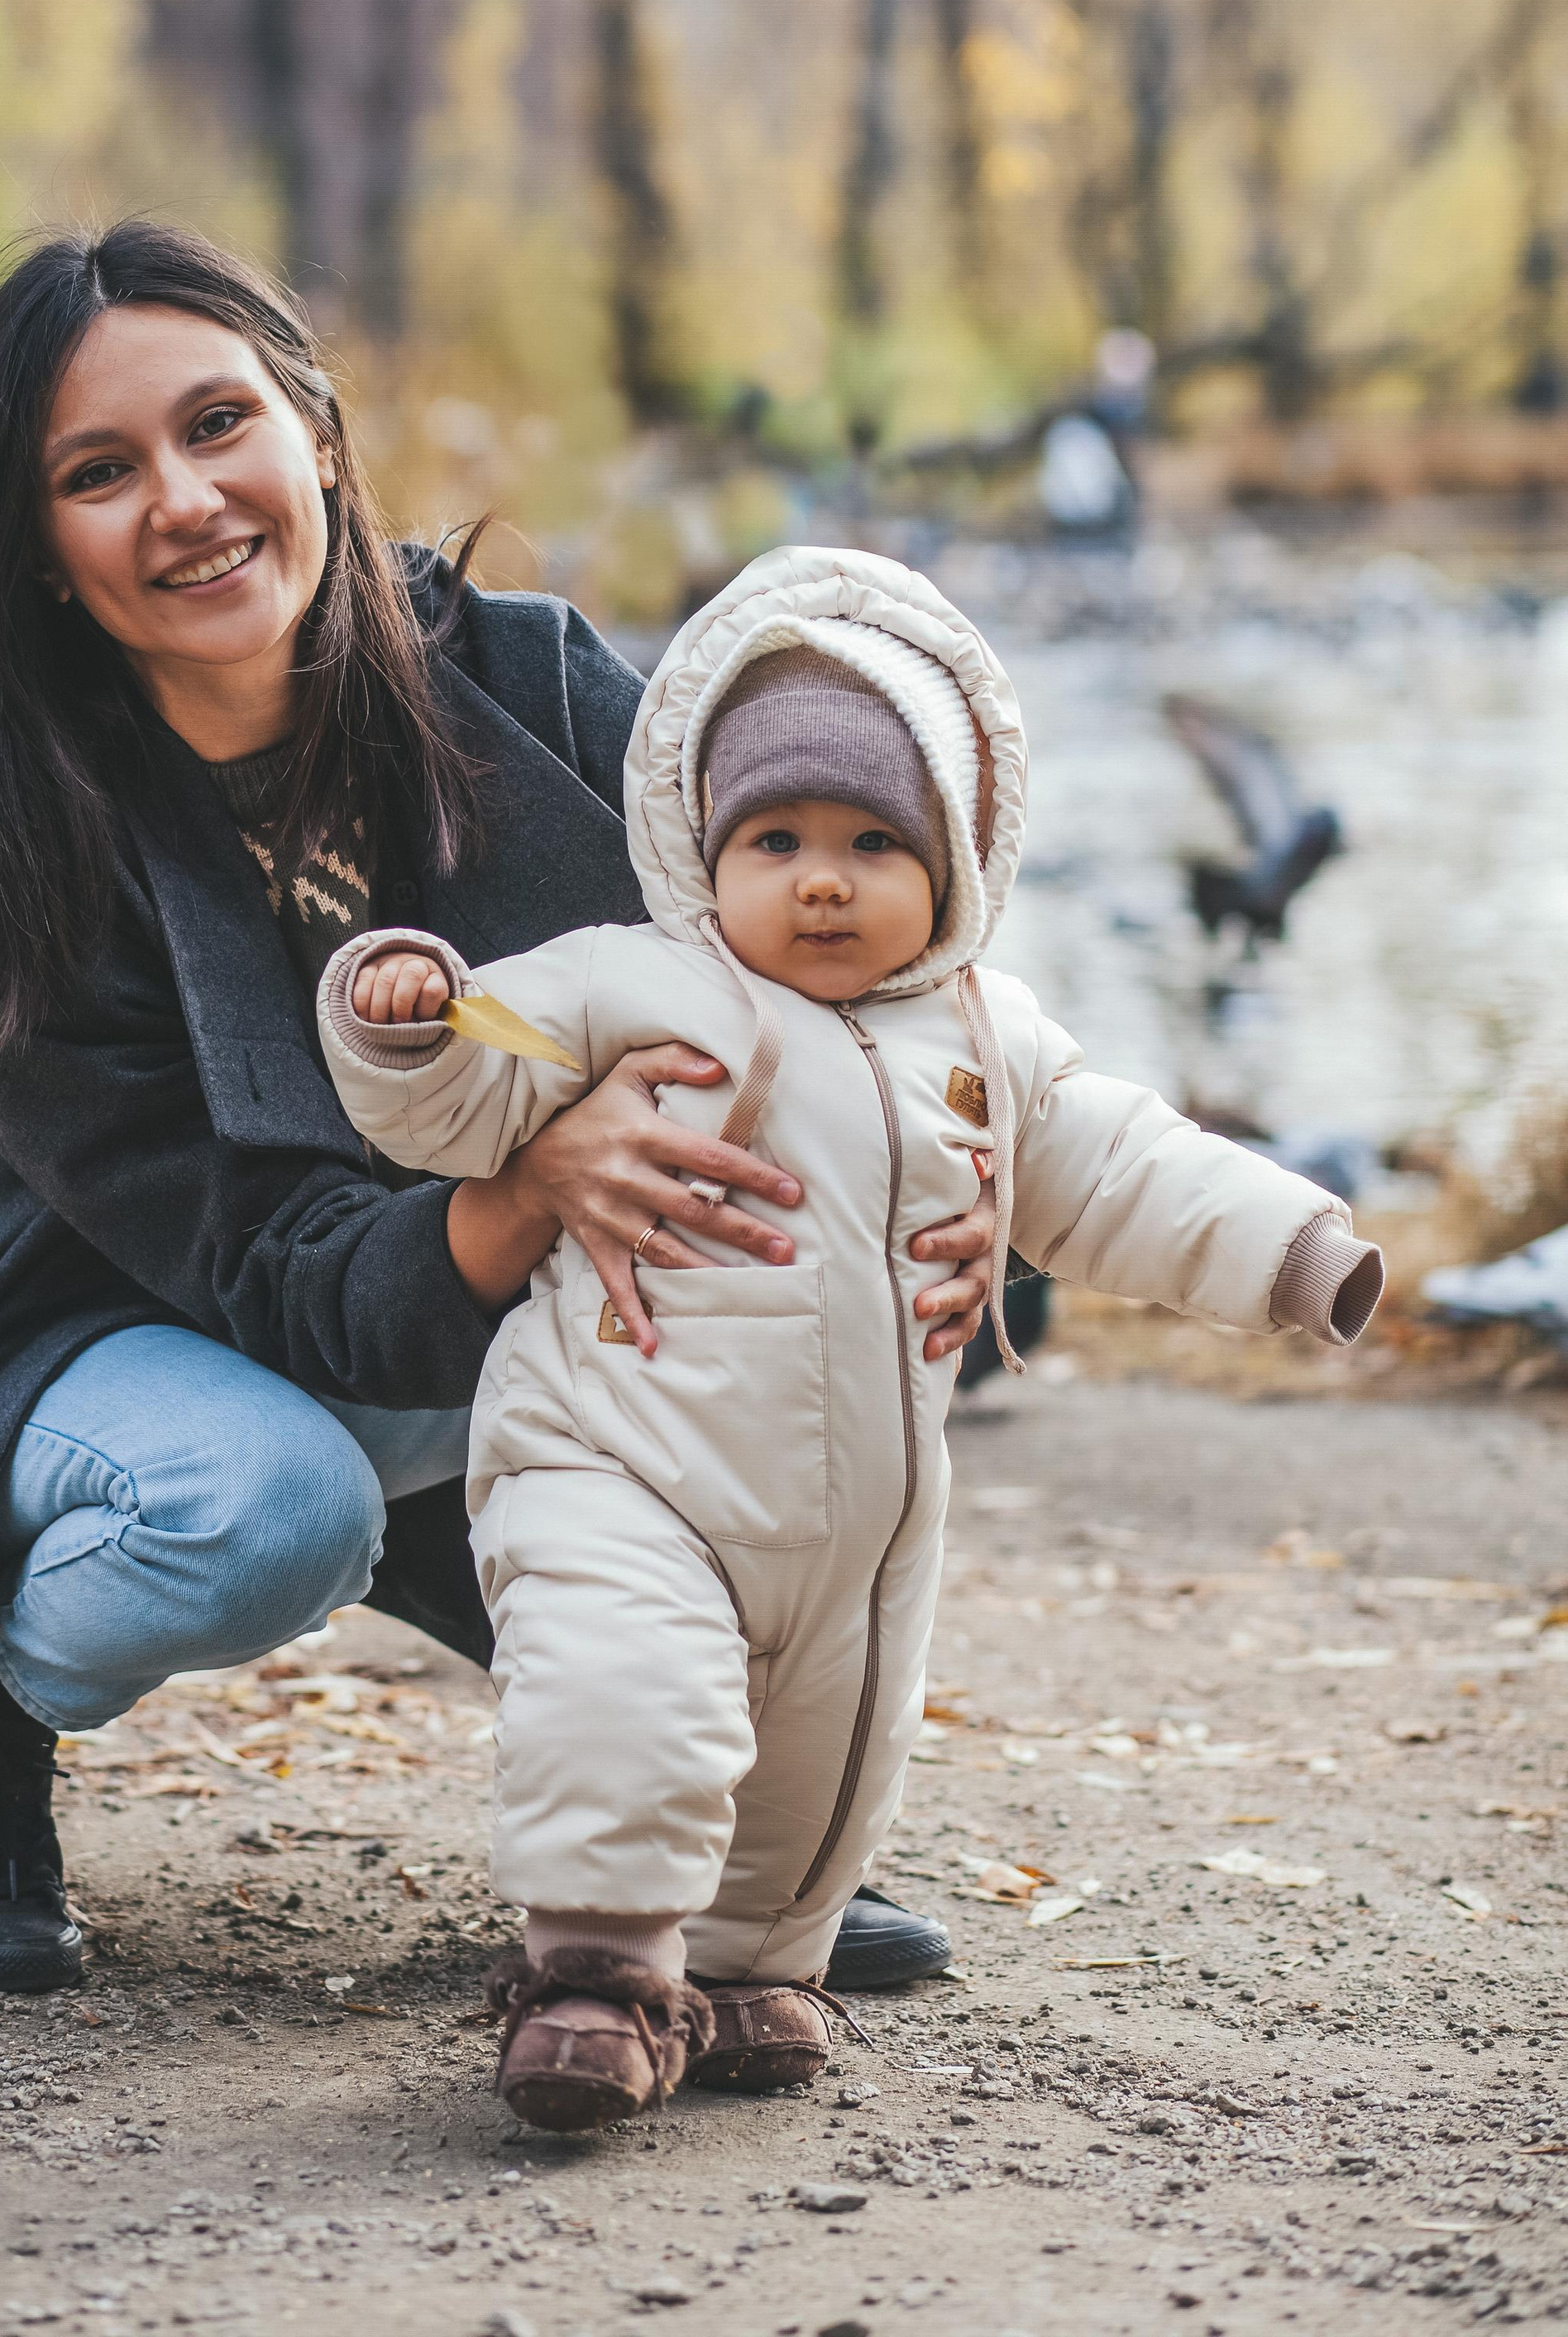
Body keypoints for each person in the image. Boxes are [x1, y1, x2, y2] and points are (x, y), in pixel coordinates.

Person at [0, 225, 997, 1997]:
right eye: (98, 474)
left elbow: (814, 956)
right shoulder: (20, 837)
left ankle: (710, 1827)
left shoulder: (535, 685)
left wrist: (949, 1178)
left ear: (315, 431)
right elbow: (259, 1259)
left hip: (427, 1296)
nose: (180, 500)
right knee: (269, 1508)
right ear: (37, 548)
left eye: (216, 425)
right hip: (78, 1341)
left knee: (750, 1261)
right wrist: (540, 1180)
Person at [318, 544, 1386, 2132]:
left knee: (824, 1759)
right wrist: (398, 1012)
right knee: (629, 1698)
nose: (823, 877)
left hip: (860, 1529)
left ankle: (747, 1974)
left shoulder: (986, 1042)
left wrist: (1301, 1254)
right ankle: (595, 1977)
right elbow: (468, 1094)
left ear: (955, 863)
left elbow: (1120, 1166)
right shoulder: (631, 985)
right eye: (778, 837)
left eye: (875, 841)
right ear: (703, 848)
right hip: (623, 1461)